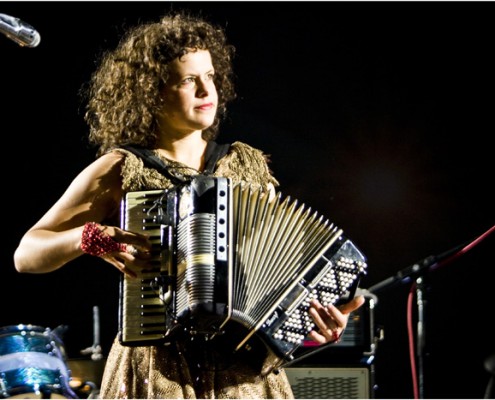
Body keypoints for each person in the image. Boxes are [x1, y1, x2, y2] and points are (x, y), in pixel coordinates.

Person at [13, 10, 365, 399]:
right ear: (152, 91)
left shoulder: (247, 166)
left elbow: (274, 292)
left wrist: (315, 329)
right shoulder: (121, 167)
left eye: (211, 77)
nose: (206, 91)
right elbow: (27, 254)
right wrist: (90, 237)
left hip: (243, 378)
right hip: (156, 369)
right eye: (189, 80)